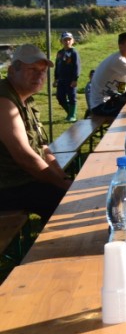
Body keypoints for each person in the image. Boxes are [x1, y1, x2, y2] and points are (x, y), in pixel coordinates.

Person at [0, 45, 71, 224]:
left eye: (43, 71)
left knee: (66, 195)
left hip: (23, 180)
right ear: (11, 71)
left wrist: (63, 178)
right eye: (32, 69)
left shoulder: (26, 99)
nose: (39, 75)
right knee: (66, 204)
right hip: (8, 185)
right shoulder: (4, 100)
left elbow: (43, 147)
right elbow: (24, 157)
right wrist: (64, 186)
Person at [89, 33, 126, 117]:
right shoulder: (119, 60)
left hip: (113, 98)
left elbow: (122, 89)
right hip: (101, 106)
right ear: (120, 46)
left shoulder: (124, 60)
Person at [53, 31, 81, 123]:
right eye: (65, 40)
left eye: (69, 39)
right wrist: (56, 79)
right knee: (60, 97)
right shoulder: (60, 53)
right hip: (61, 79)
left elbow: (77, 66)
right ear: (61, 41)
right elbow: (57, 66)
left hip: (70, 79)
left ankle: (72, 115)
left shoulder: (74, 52)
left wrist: (75, 79)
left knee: (71, 96)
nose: (67, 42)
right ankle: (70, 112)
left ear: (73, 41)